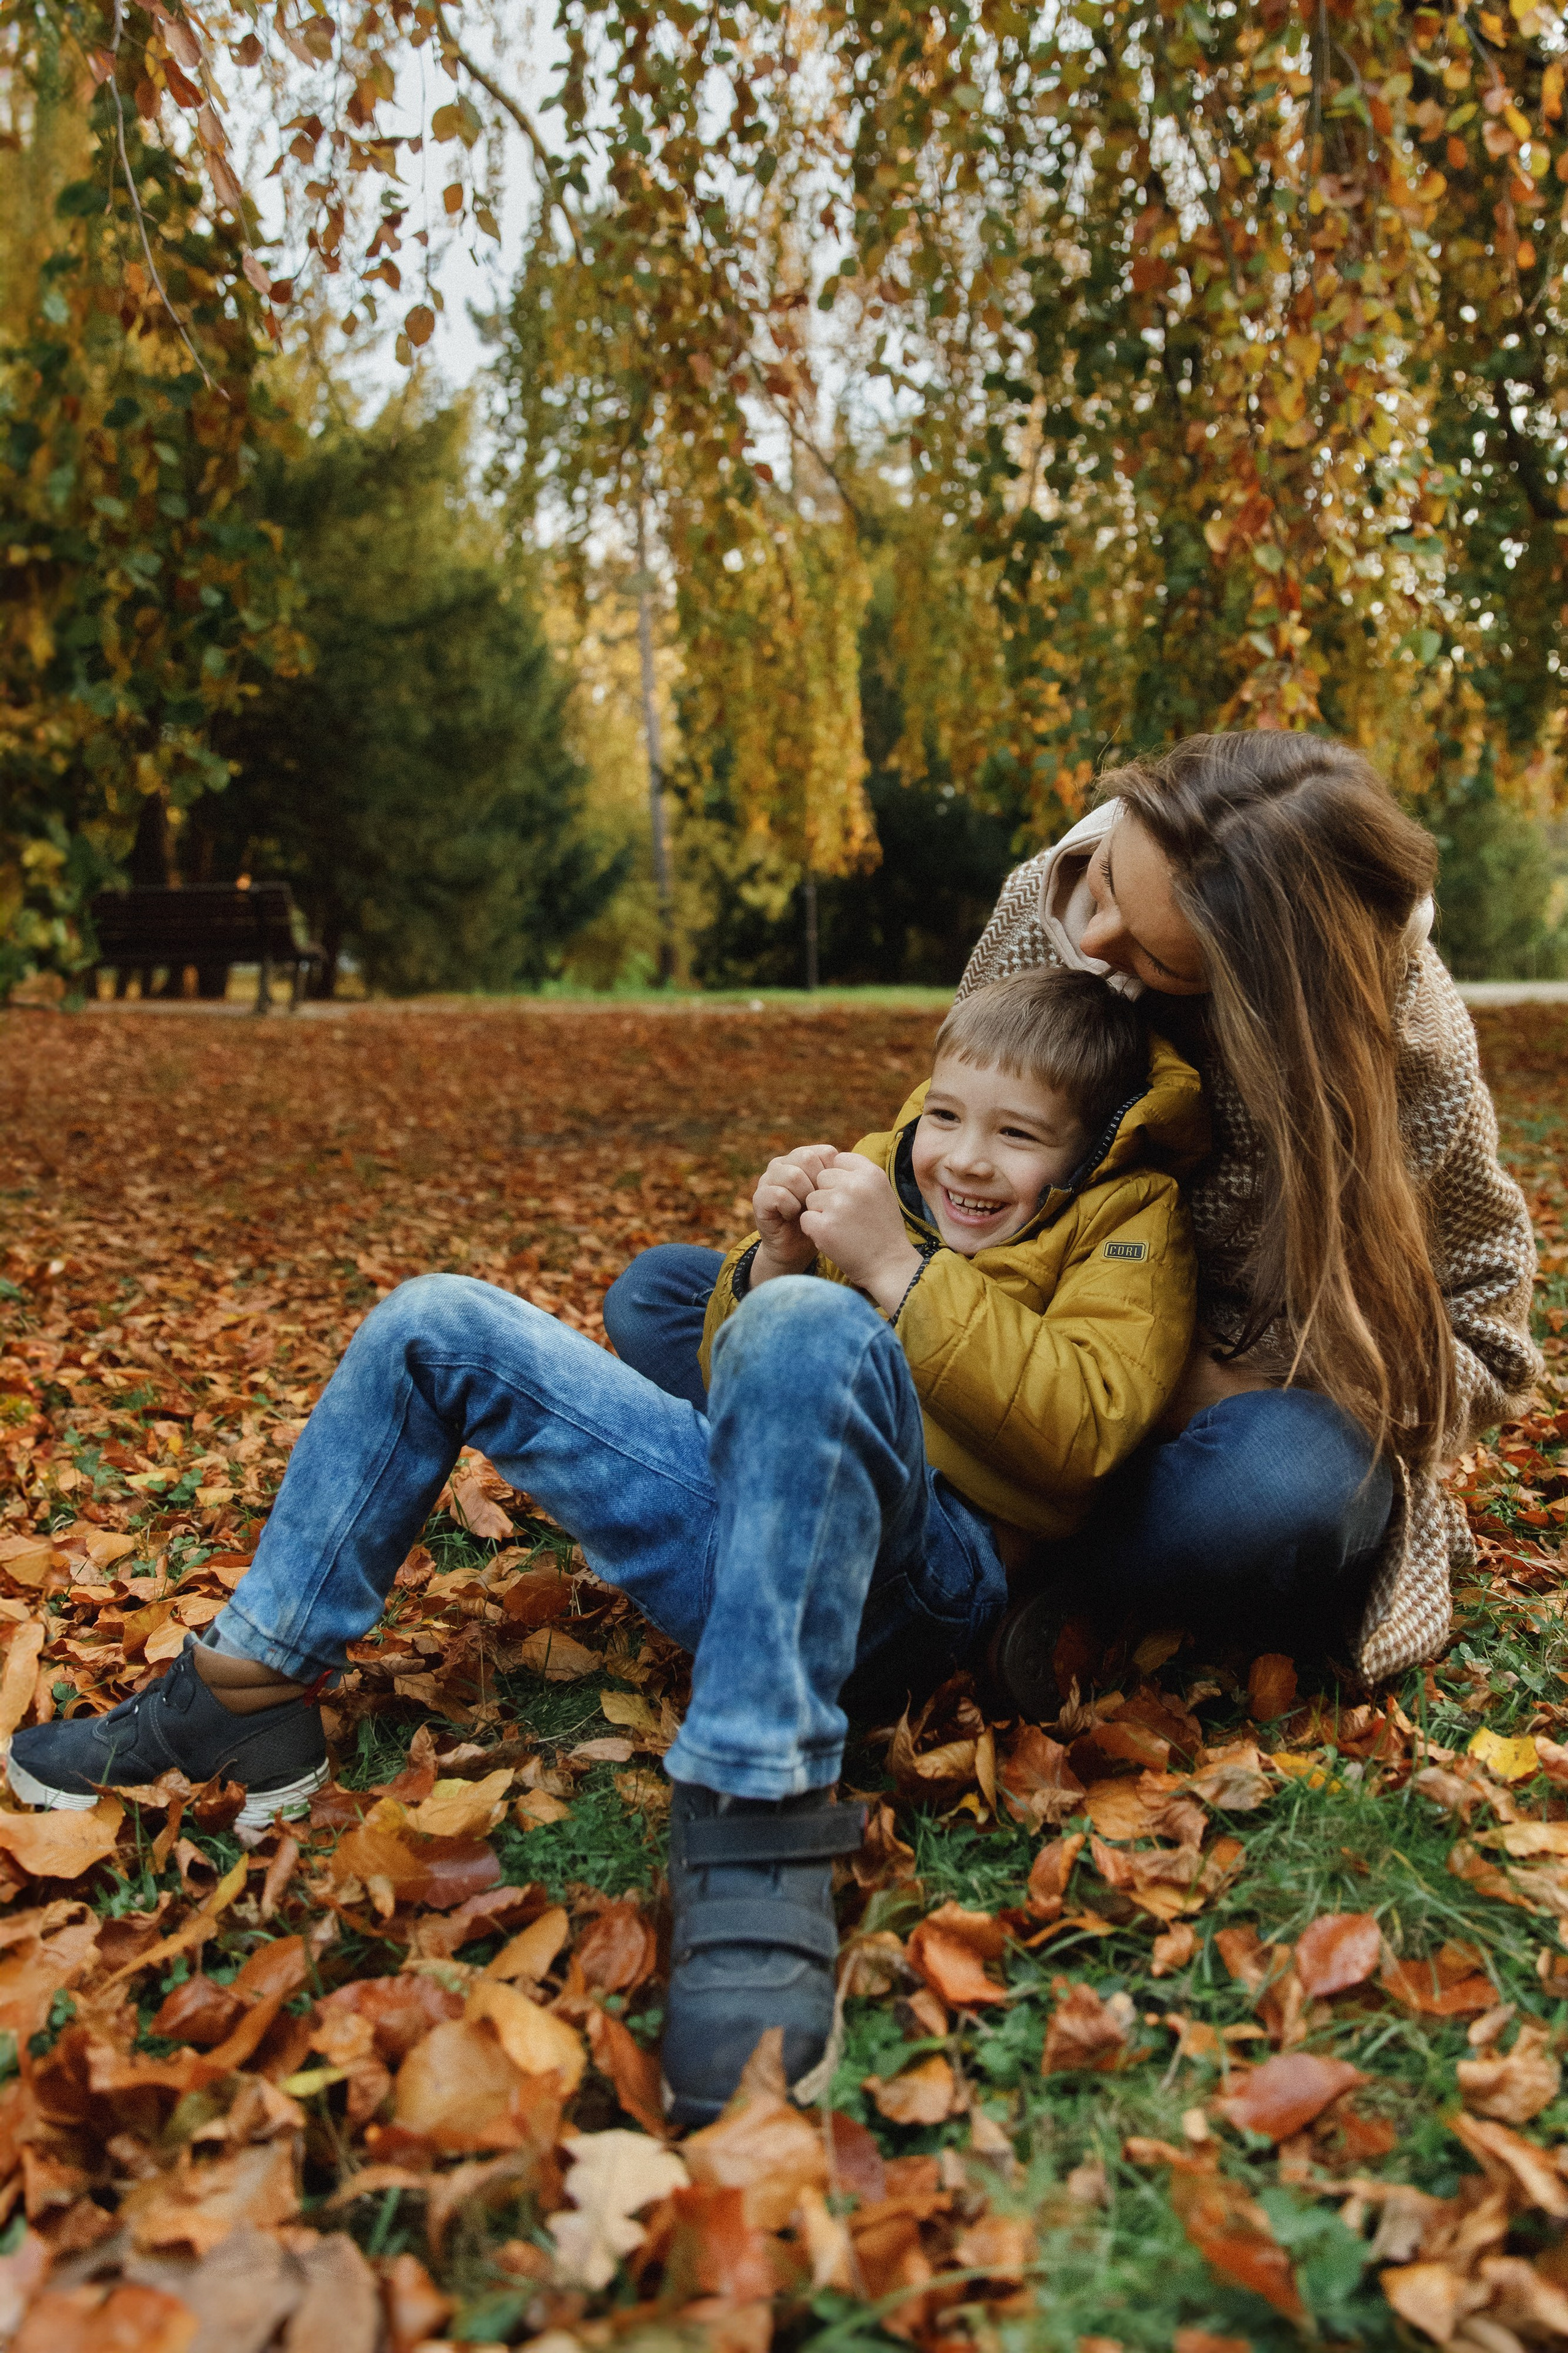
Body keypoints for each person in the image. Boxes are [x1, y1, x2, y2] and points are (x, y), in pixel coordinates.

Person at [6, 966, 1202, 2126]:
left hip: (922, 1584)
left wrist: (886, 1272)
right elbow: (740, 1376)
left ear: (1088, 1148)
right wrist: (777, 1259)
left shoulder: (1125, 1222)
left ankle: (755, 1811)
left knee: (816, 1320)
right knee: (438, 1322)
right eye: (943, 1113)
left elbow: (1085, 1428)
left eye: (1017, 1133)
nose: (963, 1156)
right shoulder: (900, 1182)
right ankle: (245, 1688)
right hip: (751, 1530)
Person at [610, 732, 1541, 1696]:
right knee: (663, 1295)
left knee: (1289, 1487)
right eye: (1103, 881)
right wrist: (812, 1253)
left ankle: (1018, 1580)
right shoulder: (1049, 900)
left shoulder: (1405, 1054)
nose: (1092, 943)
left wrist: (1206, 1380)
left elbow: (1487, 1342)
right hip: (993, 1355)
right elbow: (968, 1139)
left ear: (1267, 995)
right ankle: (960, 1547)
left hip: (1179, 1447)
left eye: (1151, 952)